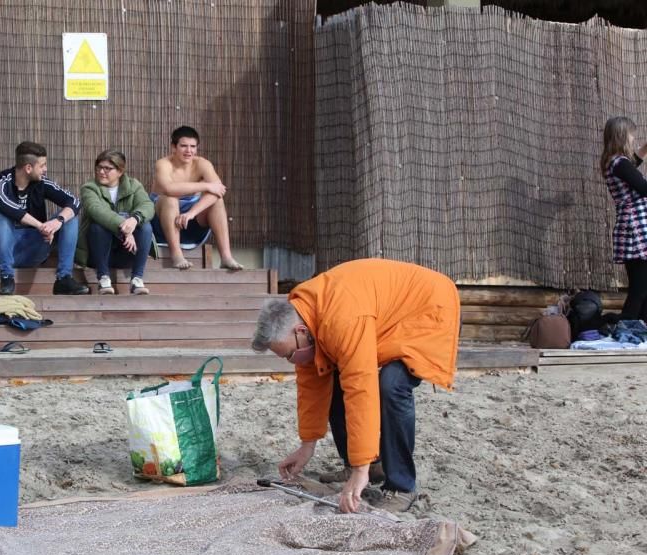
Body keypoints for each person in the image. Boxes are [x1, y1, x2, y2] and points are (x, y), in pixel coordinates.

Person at [250, 259, 460, 514]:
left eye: (289, 355)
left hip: (428, 310)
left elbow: (361, 387)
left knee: (390, 386)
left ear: (300, 330)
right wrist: (307, 445)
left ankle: (401, 486)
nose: (291, 361)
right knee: (331, 372)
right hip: (387, 313)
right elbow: (312, 386)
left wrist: (360, 471)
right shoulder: (307, 313)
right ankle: (368, 465)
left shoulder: (342, 318)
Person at [0, 141, 89, 296]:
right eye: (42, 165)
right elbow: (9, 208)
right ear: (28, 168)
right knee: (1, 216)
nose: (45, 169)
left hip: (30, 250)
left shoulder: (42, 183)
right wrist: (41, 226)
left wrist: (57, 221)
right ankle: (7, 277)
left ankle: (64, 278)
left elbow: (74, 202)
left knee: (70, 218)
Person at [152, 125, 242, 271]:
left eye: (193, 146)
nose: (189, 151)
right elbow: (169, 189)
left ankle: (226, 257)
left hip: (189, 222)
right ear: (173, 147)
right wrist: (205, 186)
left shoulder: (202, 164)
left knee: (217, 201)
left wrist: (191, 213)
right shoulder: (163, 164)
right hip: (161, 223)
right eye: (184, 146)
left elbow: (218, 190)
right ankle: (177, 255)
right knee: (170, 198)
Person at [76, 150, 156, 295]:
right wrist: (126, 229)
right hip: (98, 253)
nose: (101, 172)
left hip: (127, 252)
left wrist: (134, 219)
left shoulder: (134, 185)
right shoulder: (89, 188)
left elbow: (147, 206)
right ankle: (103, 278)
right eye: (99, 167)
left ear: (120, 171)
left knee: (145, 226)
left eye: (108, 169)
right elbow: (97, 211)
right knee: (97, 227)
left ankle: (137, 279)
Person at [601, 116, 647, 321]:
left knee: (643, 287)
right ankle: (623, 327)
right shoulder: (619, 163)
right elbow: (643, 188)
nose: (633, 138)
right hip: (635, 229)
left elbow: (632, 167)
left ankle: (640, 328)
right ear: (622, 136)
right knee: (639, 289)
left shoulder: (615, 162)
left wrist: (645, 148)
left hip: (633, 227)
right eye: (631, 134)